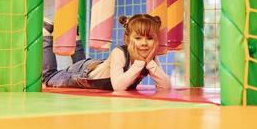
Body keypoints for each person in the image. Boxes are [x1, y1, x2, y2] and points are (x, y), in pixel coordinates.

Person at [42, 14, 171, 91]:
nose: (144, 43)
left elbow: (166, 86)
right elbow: (118, 87)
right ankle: (46, 33)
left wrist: (150, 64)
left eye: (149, 38)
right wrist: (139, 64)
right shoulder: (119, 53)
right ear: (127, 39)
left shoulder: (150, 58)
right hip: (84, 74)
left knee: (82, 63)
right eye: (138, 38)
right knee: (48, 77)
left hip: (96, 66)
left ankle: (75, 37)